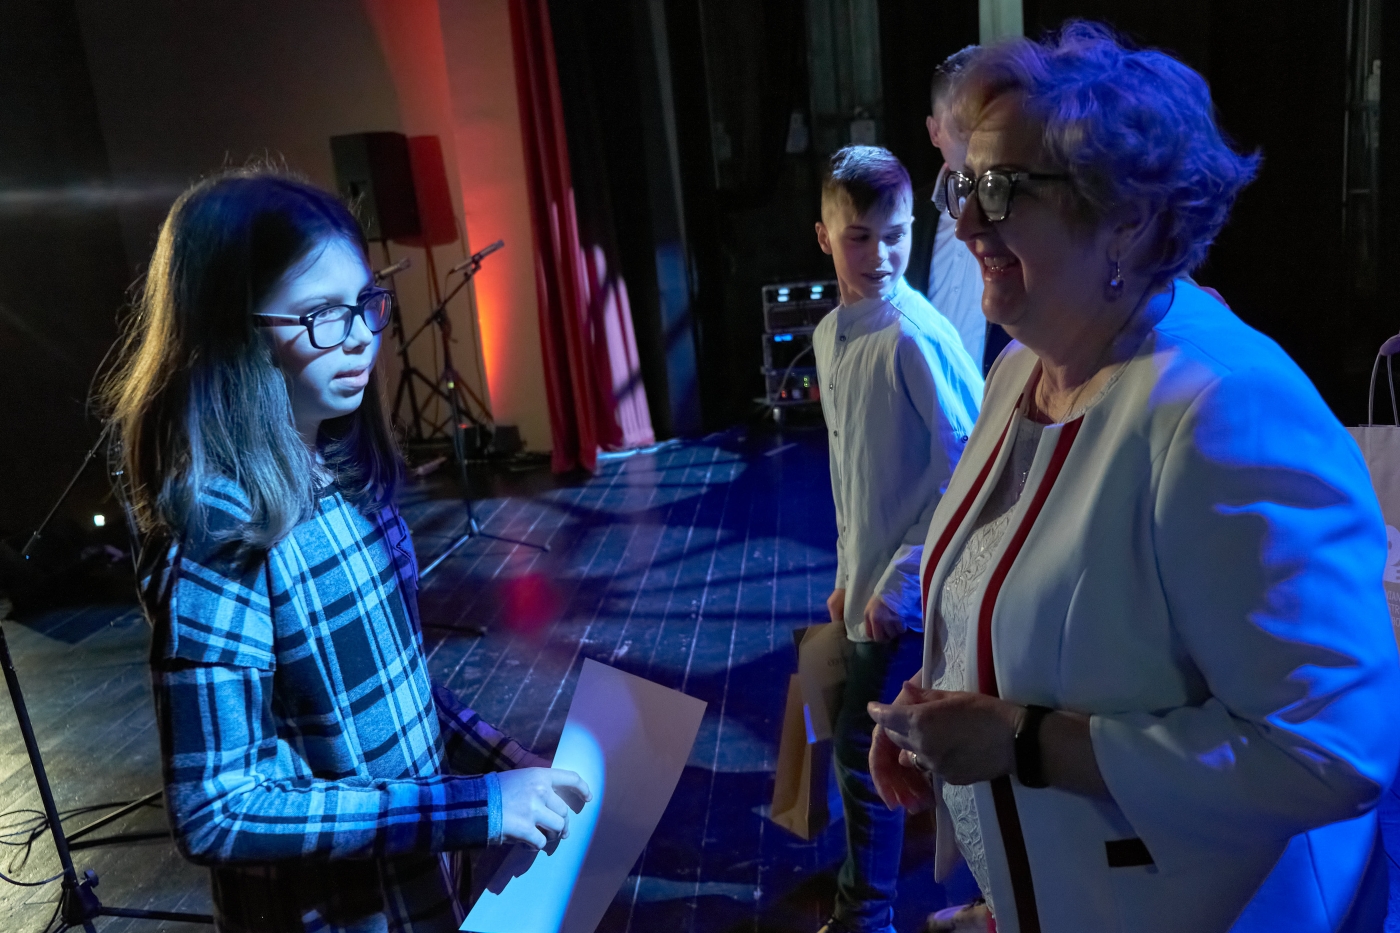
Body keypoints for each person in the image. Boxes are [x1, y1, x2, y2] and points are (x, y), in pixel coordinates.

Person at [865, 23, 1400, 933]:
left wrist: (1022, 742)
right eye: (963, 184)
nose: (965, 223)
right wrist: (938, 716)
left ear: (1129, 219)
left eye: (1002, 188)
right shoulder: (1021, 367)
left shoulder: (1225, 411)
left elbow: (1334, 752)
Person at [101, 168, 591, 933]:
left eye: (365, 303)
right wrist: (476, 806)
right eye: (323, 314)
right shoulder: (219, 528)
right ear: (233, 333)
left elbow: (393, 688)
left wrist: (499, 764)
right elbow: (217, 809)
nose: (362, 334)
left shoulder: (338, 467)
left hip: (414, 884)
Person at [811, 145, 983, 933]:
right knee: (869, 744)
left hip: (909, 598)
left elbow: (967, 473)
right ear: (824, 236)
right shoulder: (830, 335)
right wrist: (850, 574)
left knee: (865, 745)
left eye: (896, 234)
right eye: (860, 237)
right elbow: (855, 471)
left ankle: (866, 914)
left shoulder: (915, 337)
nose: (880, 255)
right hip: (870, 586)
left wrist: (897, 585)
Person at [907, 46, 1005, 377]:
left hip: (1002, 400)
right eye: (963, 126)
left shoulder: (1023, 207)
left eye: (986, 122)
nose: (978, 138)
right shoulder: (908, 217)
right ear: (935, 132)